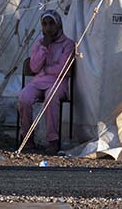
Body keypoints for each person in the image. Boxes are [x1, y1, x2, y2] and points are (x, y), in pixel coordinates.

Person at [17, 9, 75, 155]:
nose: (48, 27)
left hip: (58, 83)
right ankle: (27, 138)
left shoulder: (68, 44)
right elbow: (34, 67)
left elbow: (63, 69)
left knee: (51, 97)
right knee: (24, 98)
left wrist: (46, 69)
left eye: (51, 23)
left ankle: (53, 140)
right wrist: (44, 48)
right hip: (38, 82)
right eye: (45, 24)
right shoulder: (39, 44)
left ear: (58, 24)